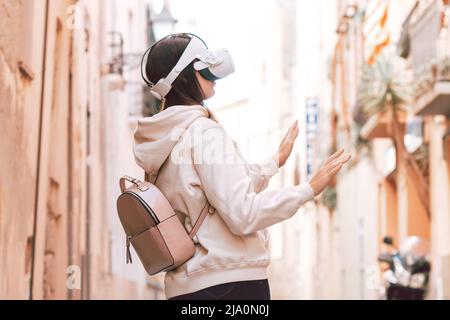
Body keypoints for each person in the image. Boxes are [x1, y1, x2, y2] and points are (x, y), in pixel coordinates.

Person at [133, 33, 351, 300]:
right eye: (204, 68)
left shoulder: (167, 138)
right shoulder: (203, 132)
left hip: (188, 288)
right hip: (229, 285)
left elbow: (215, 192)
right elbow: (243, 214)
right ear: (186, 75)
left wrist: (274, 163)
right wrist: (308, 189)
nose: (213, 75)